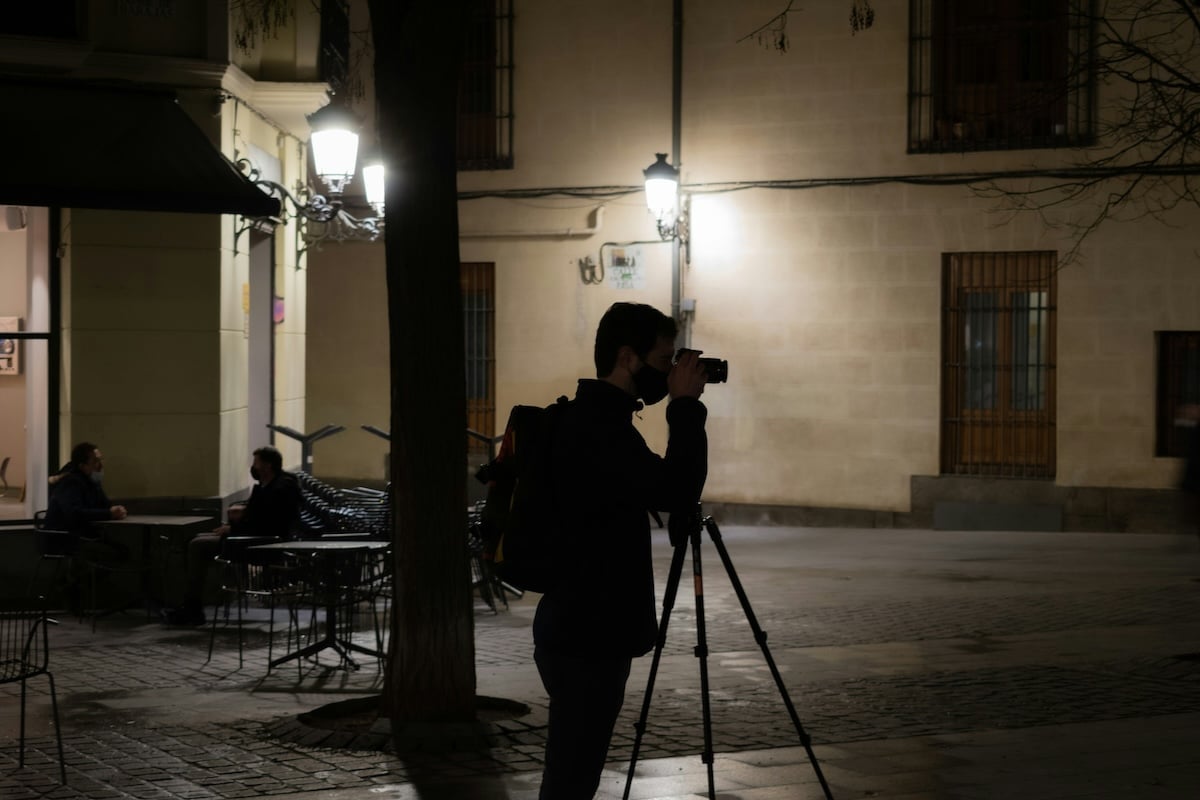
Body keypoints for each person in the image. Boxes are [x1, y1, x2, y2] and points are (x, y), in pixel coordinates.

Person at [533, 302, 708, 799]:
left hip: (581, 626)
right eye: (664, 359)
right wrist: (685, 406)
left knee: (573, 772)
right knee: (571, 779)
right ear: (628, 357)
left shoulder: (598, 421)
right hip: (587, 632)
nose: (669, 372)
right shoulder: (598, 428)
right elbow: (675, 488)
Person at [164, 445, 301, 626]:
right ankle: (191, 604)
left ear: (267, 466)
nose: (253, 467)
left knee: (197, 545)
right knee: (195, 539)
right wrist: (238, 520)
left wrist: (234, 528)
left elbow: (267, 524)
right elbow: (258, 516)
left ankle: (193, 608)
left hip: (261, 544)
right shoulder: (272, 484)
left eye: (256, 462)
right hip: (252, 538)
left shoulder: (280, 488)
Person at [43, 442, 130, 612]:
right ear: (83, 466)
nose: (100, 465)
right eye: (96, 461)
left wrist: (115, 510)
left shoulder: (91, 482)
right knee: (110, 553)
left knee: (122, 552)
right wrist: (108, 514)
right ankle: (71, 587)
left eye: (101, 460)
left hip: (81, 535)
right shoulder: (71, 483)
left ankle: (74, 586)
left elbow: (104, 505)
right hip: (63, 538)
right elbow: (74, 513)